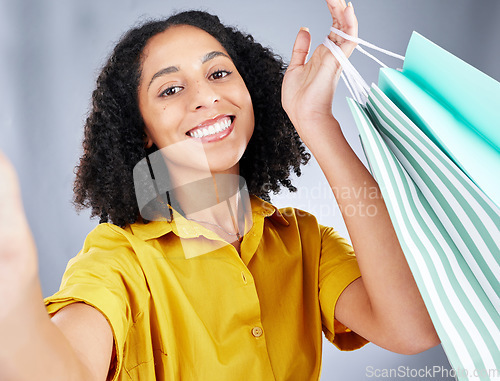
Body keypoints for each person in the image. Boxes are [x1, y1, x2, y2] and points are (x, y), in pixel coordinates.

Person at [0, 0, 440, 380]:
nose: (204, 97)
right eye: (170, 89)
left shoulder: (305, 243)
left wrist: (316, 120)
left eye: (218, 72)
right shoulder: (119, 261)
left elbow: (411, 327)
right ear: (144, 132)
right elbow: (68, 365)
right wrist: (15, 294)